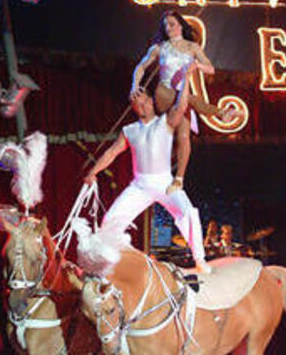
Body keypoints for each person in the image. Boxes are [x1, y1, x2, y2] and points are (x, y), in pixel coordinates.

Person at [84, 62, 211, 274]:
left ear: (151, 102)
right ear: (133, 108)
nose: (141, 107)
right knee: (110, 221)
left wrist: (187, 77)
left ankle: (200, 260)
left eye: (144, 102)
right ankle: (110, 264)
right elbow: (111, 153)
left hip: (165, 183)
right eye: (137, 105)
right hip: (140, 185)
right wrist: (92, 172)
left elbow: (180, 106)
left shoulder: (165, 122)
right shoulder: (129, 130)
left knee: (188, 212)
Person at [130, 10, 241, 195]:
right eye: (166, 25)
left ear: (181, 25)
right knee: (189, 101)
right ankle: (220, 112)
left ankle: (179, 180)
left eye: (172, 24)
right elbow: (141, 66)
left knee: (184, 136)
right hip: (164, 93)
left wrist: (196, 65)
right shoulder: (160, 48)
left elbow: (211, 69)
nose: (169, 28)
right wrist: (135, 85)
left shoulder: (193, 47)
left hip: (183, 95)